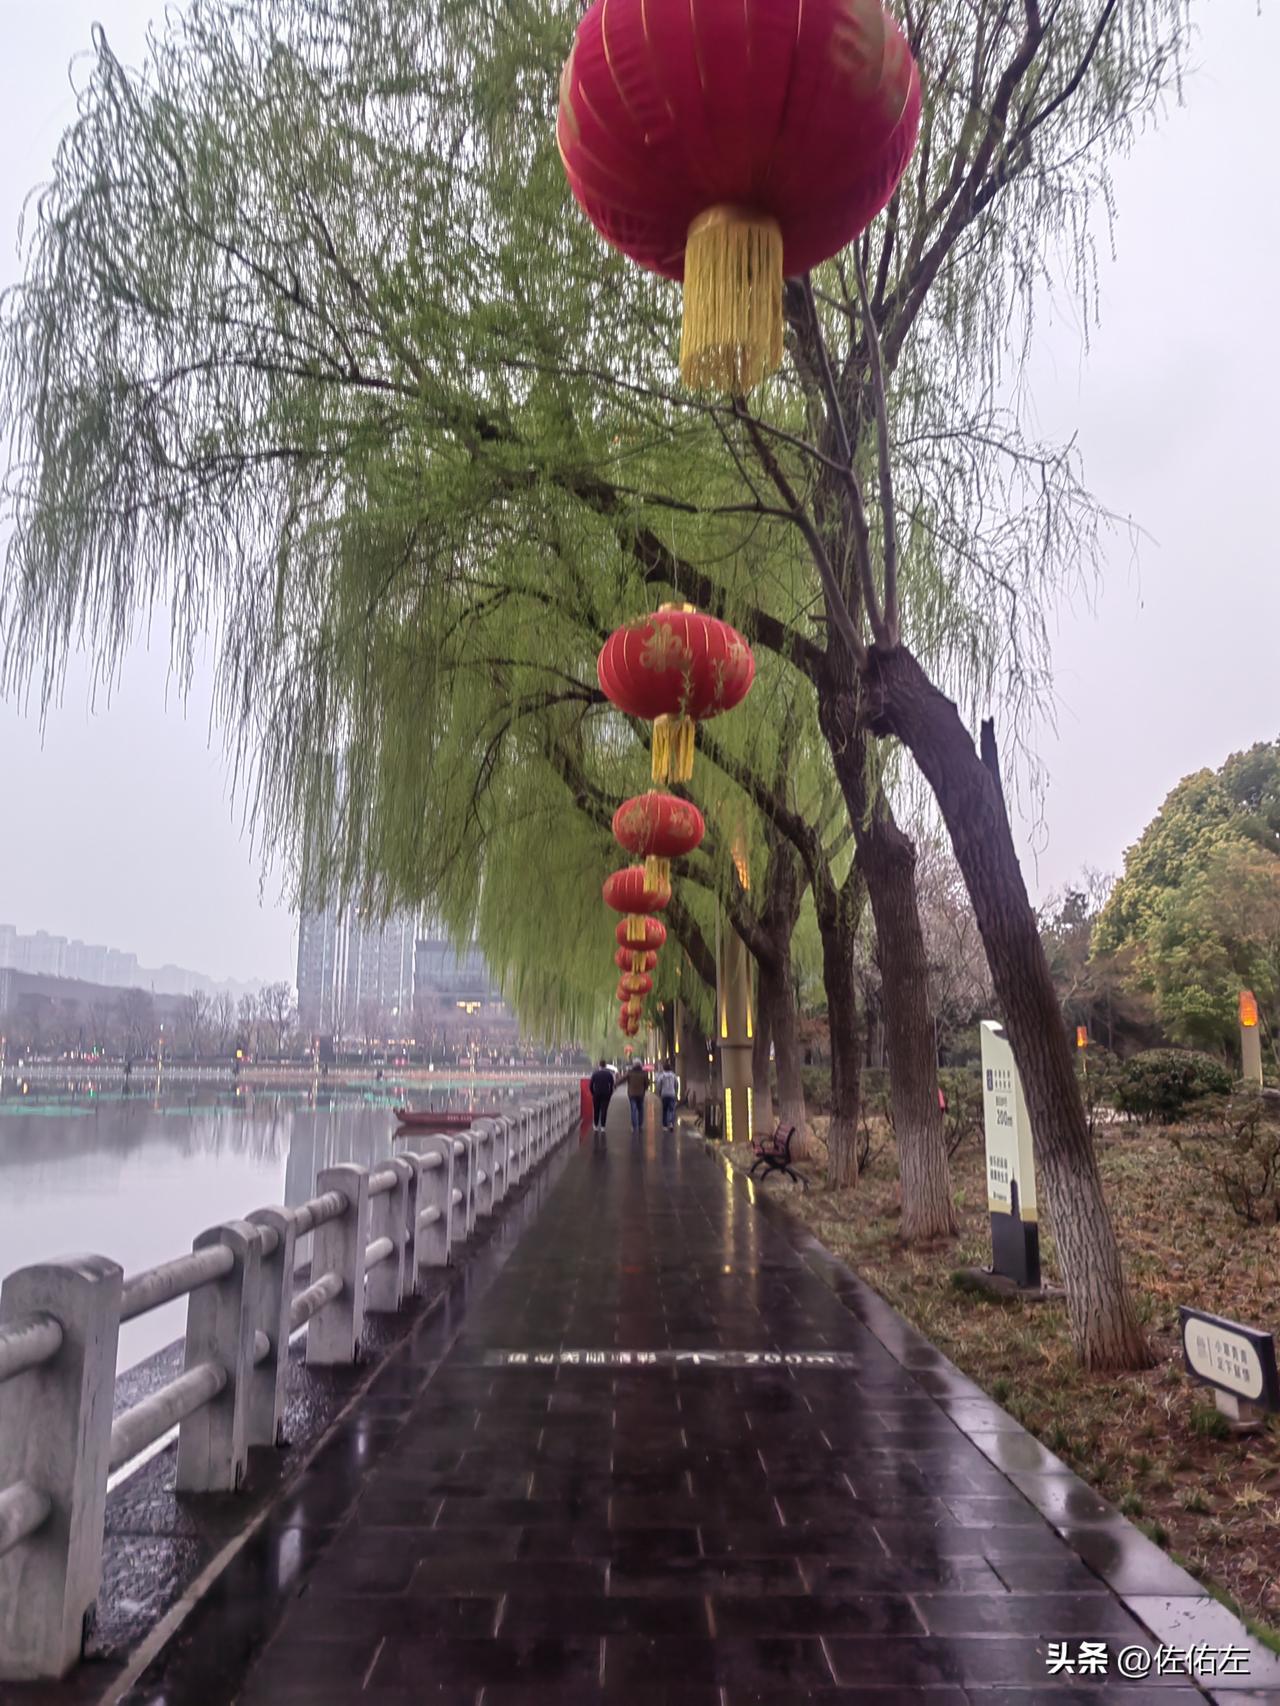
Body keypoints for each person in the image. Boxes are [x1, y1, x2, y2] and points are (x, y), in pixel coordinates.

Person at [589, 1059, 615, 1135]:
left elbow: (590, 1085)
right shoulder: (609, 1074)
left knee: (596, 1110)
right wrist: (610, 1093)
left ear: (599, 1065)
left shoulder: (595, 1074)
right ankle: (603, 1127)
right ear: (605, 1065)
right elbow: (612, 1085)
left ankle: (596, 1126)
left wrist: (593, 1093)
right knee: (604, 1110)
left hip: (596, 1094)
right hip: (606, 1094)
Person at [626, 1058, 650, 1131]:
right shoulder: (644, 1073)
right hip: (641, 1093)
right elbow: (647, 1083)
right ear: (640, 1065)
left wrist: (615, 1084)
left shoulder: (630, 1072)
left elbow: (622, 1079)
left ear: (633, 1065)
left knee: (633, 1109)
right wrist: (644, 1088)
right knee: (640, 1109)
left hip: (632, 1094)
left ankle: (634, 1126)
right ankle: (640, 1125)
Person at [656, 1061, 679, 1132]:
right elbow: (676, 1084)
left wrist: (659, 1093)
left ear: (664, 1068)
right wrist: (676, 1092)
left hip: (664, 1094)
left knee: (664, 1110)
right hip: (672, 1094)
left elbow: (658, 1085)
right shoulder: (673, 1075)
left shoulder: (662, 1076)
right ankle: (671, 1123)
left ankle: (665, 1125)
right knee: (671, 1109)